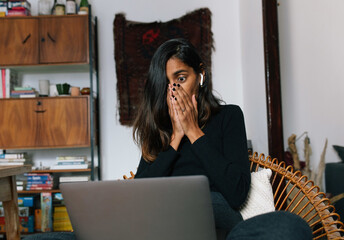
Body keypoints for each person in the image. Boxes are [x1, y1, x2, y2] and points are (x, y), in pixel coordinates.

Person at [133, 38, 312, 239]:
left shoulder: (229, 117)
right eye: (166, 84)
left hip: (220, 226)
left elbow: (237, 194)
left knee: (291, 225)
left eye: (181, 79)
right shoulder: (160, 130)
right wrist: (175, 137)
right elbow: (139, 197)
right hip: (170, 225)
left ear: (200, 75)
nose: (173, 92)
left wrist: (193, 131)